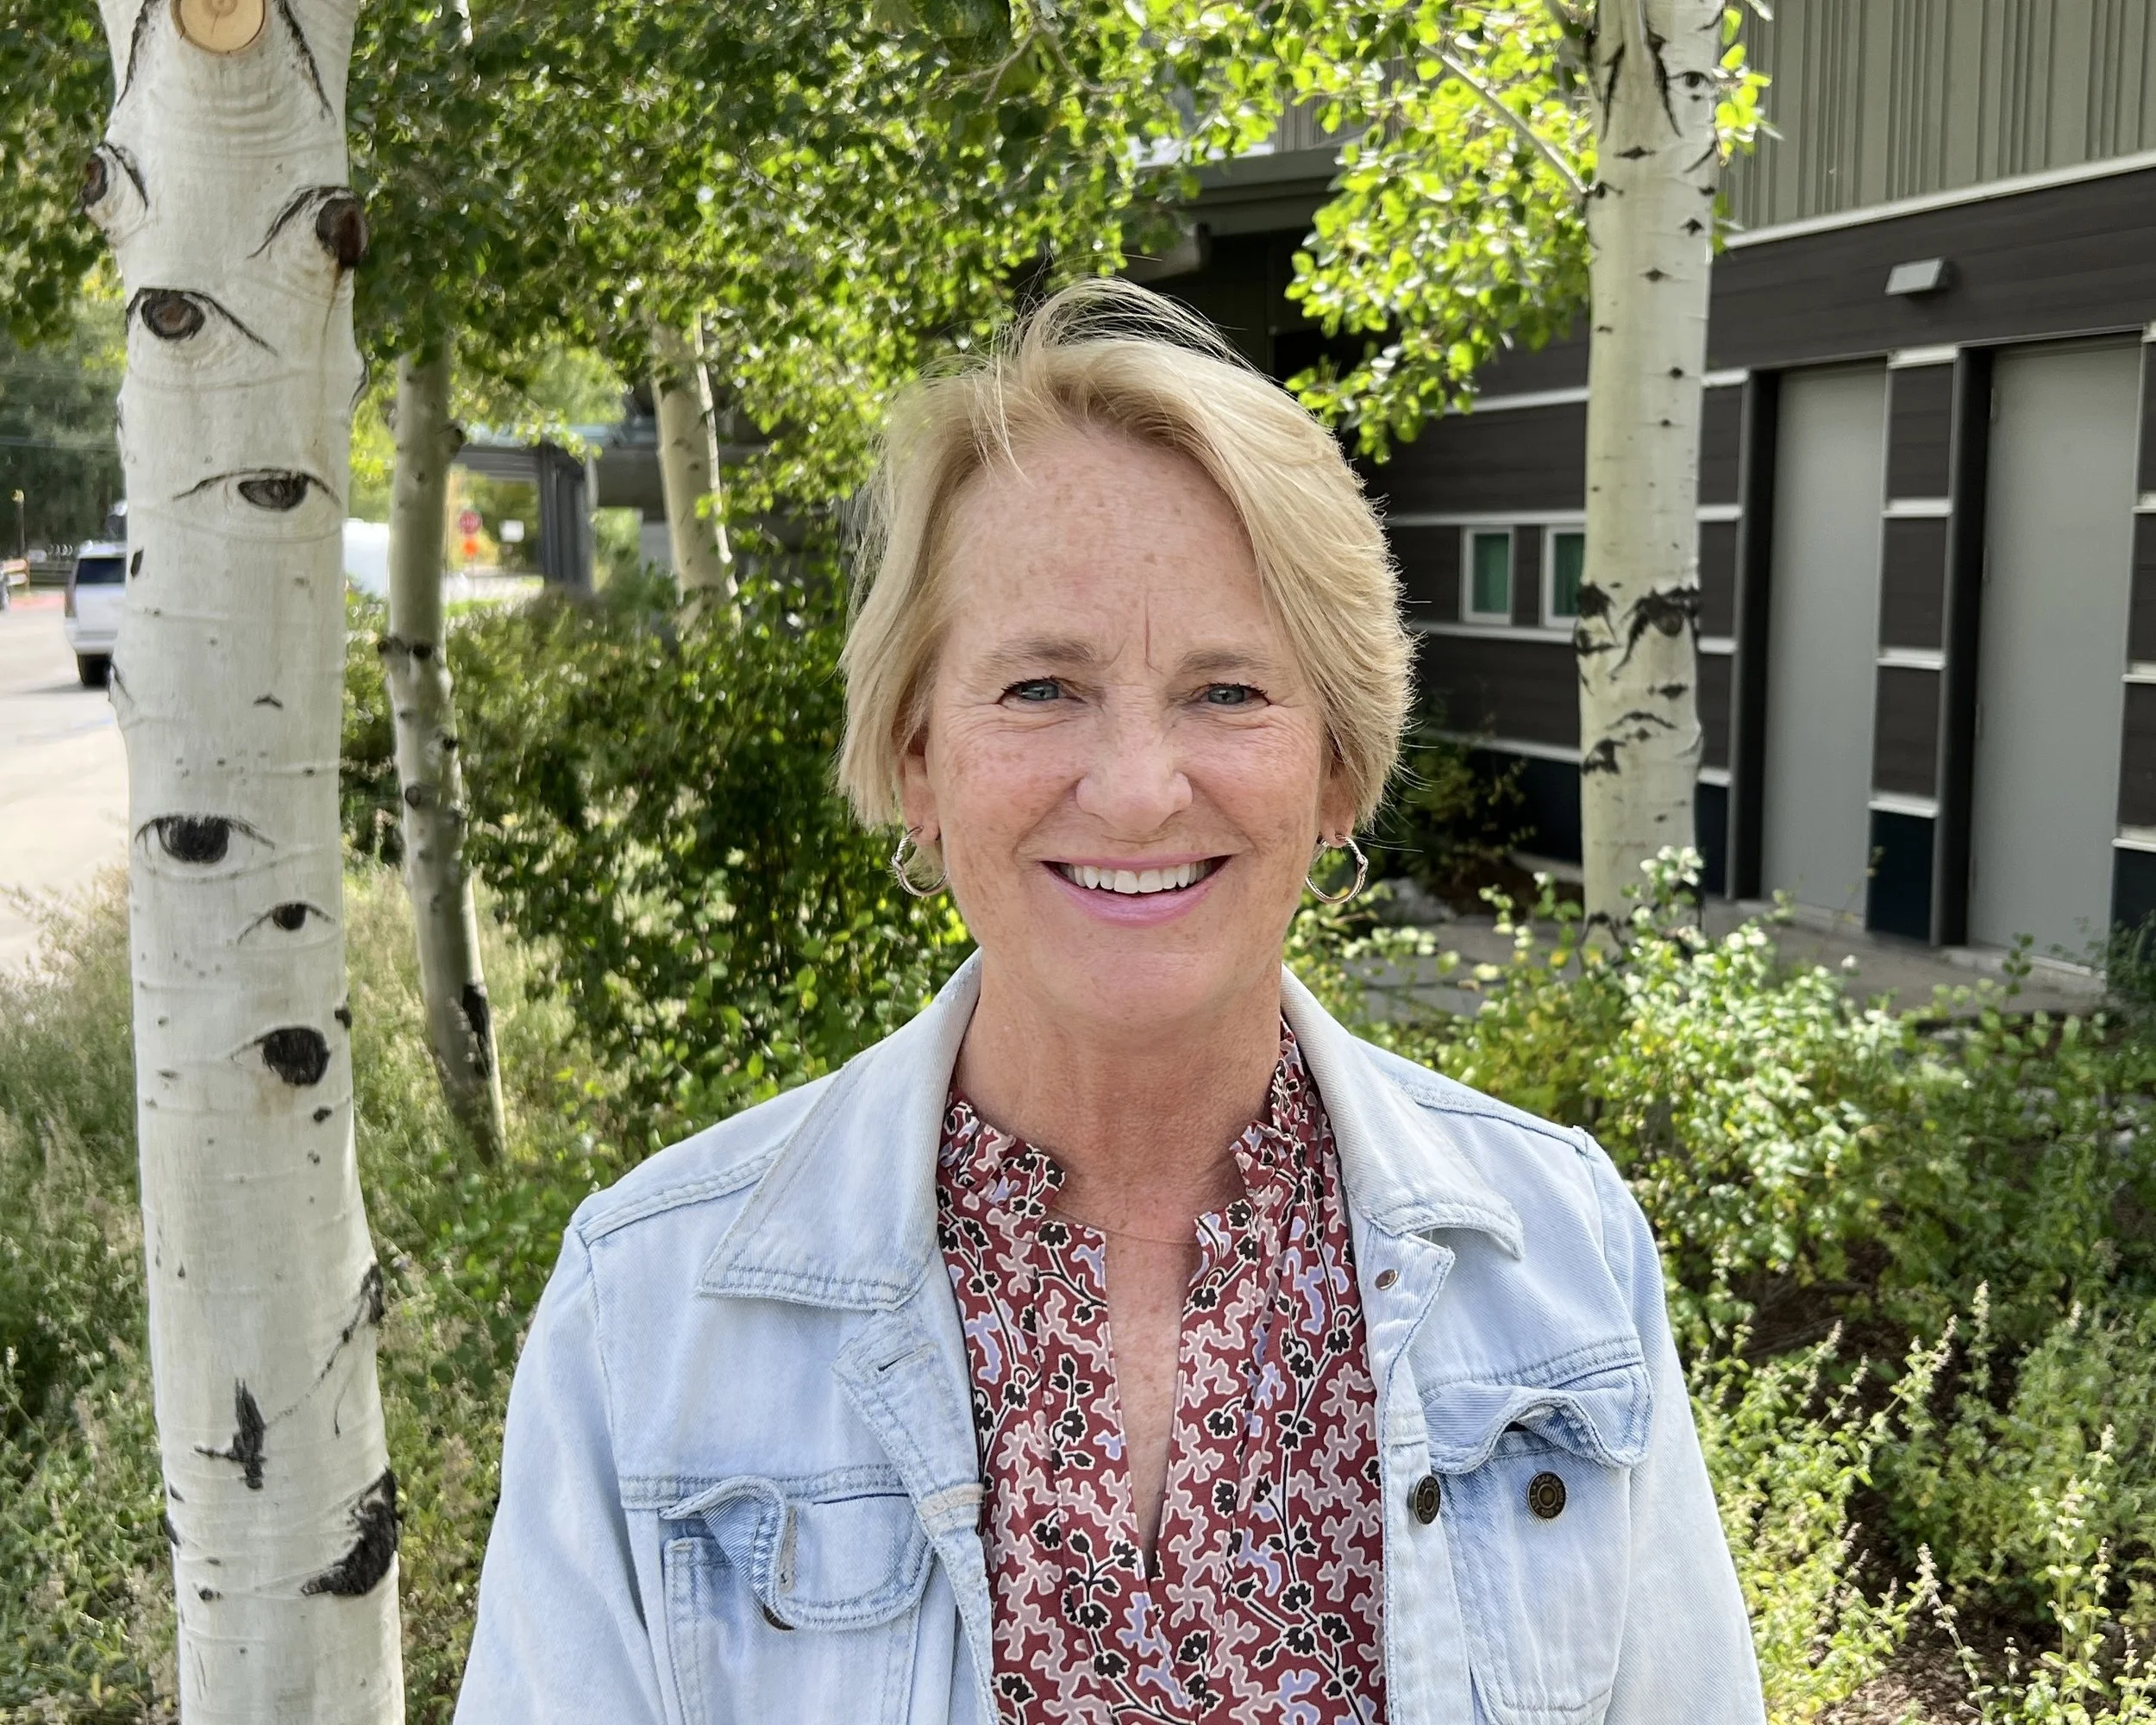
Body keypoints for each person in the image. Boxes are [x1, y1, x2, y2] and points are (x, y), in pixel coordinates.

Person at [454, 279, 1764, 1725]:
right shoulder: (647, 1317)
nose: (1140, 789)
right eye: (1039, 690)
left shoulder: (1559, 1256)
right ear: (915, 759)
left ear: (1338, 769)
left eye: (1227, 693)